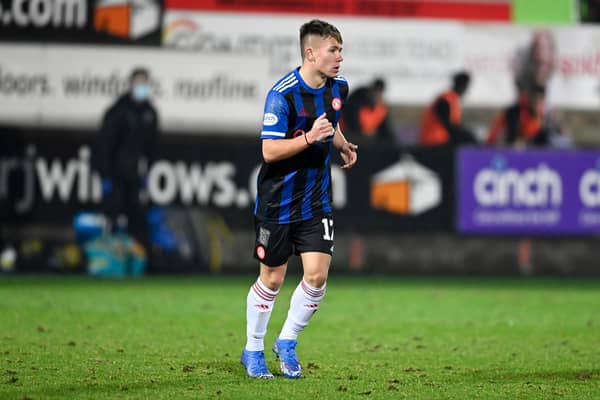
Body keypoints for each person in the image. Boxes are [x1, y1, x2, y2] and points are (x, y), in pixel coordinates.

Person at [241, 19, 358, 379]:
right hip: (277, 202)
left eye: (340, 50)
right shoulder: (283, 94)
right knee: (273, 280)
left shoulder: (339, 88)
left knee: (317, 276)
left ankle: (287, 341)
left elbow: (331, 122)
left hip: (316, 199)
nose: (339, 57)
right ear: (310, 53)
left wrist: (341, 143)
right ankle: (254, 348)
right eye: (332, 50)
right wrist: (309, 138)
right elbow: (270, 151)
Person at [92, 67, 159, 250]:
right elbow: (104, 144)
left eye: (145, 83)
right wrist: (105, 173)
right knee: (113, 213)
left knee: (137, 216)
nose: (142, 87)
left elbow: (152, 147)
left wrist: (148, 171)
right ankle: (110, 257)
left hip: (135, 174)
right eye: (138, 83)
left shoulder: (149, 113)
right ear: (131, 84)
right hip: (116, 172)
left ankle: (135, 258)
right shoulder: (119, 110)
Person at [419, 70, 476, 147]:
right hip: (435, 141)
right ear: (462, 86)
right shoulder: (445, 100)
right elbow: (448, 125)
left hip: (441, 140)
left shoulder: (452, 100)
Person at [341, 77, 394, 143]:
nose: (377, 97)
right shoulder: (355, 104)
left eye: (380, 94)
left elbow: (385, 131)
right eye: (376, 93)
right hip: (348, 137)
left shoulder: (381, 110)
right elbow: (353, 127)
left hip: (366, 140)